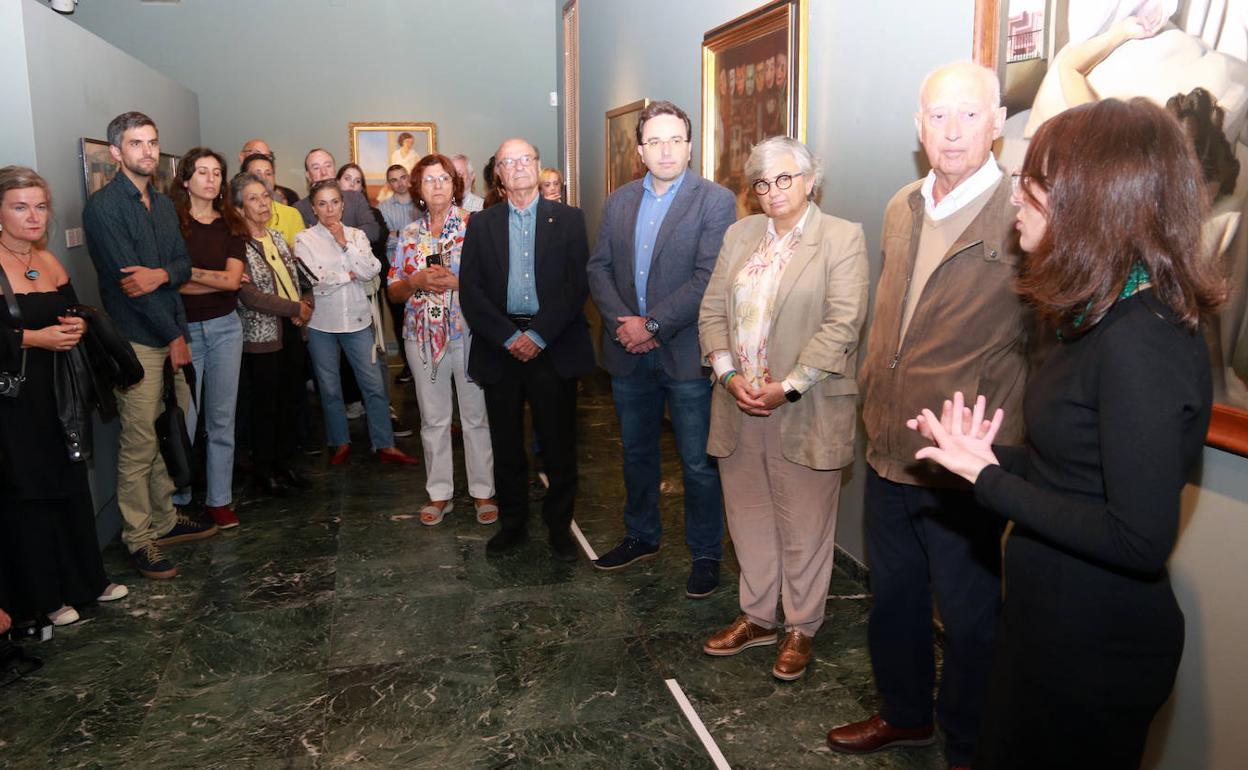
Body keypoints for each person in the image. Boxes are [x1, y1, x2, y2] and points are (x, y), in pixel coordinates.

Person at [907, 97, 1224, 770]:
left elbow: (1137, 538)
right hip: (1048, 626)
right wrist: (987, 456)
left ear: (1092, 202)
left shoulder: (1142, 340)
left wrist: (989, 482)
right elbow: (1075, 471)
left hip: (1095, 651)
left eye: (1035, 186)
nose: (1017, 199)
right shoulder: (1098, 318)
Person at [825, 62, 1029, 769]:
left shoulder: (1024, 215)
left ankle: (970, 743)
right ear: (918, 127)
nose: (952, 131)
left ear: (998, 123)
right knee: (894, 601)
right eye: (938, 116)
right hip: (888, 444)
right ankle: (905, 715)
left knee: (973, 621)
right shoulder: (901, 205)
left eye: (969, 115)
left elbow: (1042, 337)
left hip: (964, 462)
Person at [697, 137, 868, 679]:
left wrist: (787, 386)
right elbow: (710, 314)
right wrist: (728, 376)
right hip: (738, 401)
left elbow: (842, 324)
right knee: (747, 516)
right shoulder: (739, 234)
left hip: (806, 405)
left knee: (804, 522)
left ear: (810, 179)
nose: (773, 192)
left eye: (785, 179)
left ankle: (800, 626)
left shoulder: (841, 238)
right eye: (763, 183)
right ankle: (758, 617)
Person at [586, 100, 736, 597]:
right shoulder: (621, 200)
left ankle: (707, 553)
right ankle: (642, 535)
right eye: (655, 141)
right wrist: (624, 325)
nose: (666, 150)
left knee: (697, 462)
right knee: (636, 453)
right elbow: (599, 268)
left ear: (690, 147)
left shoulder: (715, 201)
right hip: (629, 354)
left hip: (686, 353)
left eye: (675, 140)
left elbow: (708, 278)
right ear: (640, 150)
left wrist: (651, 323)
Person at [83, 111, 218, 581]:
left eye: (153, 142)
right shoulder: (103, 208)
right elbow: (129, 287)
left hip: (171, 331)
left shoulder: (161, 205)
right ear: (117, 153)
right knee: (139, 442)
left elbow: (179, 269)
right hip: (138, 340)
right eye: (137, 144)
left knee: (169, 429)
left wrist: (162, 275)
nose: (148, 151)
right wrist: (174, 334)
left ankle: (164, 518)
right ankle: (139, 538)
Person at [0, 166, 128, 627]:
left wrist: (76, 324)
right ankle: (44, 597)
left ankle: (86, 581)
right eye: (20, 207)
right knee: (30, 495)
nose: (34, 216)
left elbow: (70, 309)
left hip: (60, 390)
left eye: (39, 206)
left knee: (70, 483)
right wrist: (35, 339)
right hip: (15, 400)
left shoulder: (48, 259)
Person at [460, 138, 594, 561]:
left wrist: (536, 336)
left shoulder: (569, 220)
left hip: (552, 345)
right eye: (507, 162)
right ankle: (512, 524)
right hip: (499, 346)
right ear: (497, 173)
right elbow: (471, 290)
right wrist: (508, 336)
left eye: (525, 159)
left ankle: (559, 528)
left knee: (558, 443)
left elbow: (576, 286)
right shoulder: (482, 224)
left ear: (538, 166)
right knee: (505, 443)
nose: (518, 167)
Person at [388, 154, 498, 526]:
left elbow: (494, 284)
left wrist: (459, 283)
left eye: (443, 179)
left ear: (456, 185)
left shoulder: (475, 227)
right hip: (421, 337)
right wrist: (415, 282)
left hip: (467, 333)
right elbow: (393, 291)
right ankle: (439, 494)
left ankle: (483, 491)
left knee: (475, 417)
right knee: (433, 420)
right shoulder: (408, 235)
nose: (436, 186)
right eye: (429, 180)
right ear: (418, 188)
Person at [294, 179, 418, 467]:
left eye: (334, 202)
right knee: (330, 388)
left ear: (342, 204)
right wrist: (347, 275)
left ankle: (384, 444)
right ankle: (340, 442)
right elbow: (314, 280)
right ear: (314, 208)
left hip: (359, 321)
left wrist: (344, 247)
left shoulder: (357, 236)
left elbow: (371, 269)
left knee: (374, 385)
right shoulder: (304, 239)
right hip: (322, 324)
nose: (329, 209)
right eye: (322, 204)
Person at [169, 148, 247, 530]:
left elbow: (232, 283)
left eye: (217, 172)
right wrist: (200, 278)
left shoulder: (231, 224)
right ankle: (178, 498)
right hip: (183, 331)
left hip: (226, 328)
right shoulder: (170, 222)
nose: (211, 179)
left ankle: (219, 499)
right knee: (184, 418)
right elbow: (173, 287)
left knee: (220, 418)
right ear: (185, 179)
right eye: (202, 172)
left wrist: (187, 273)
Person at [231, 172, 315, 497]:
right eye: (253, 198)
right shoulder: (238, 246)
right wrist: (295, 310)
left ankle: (284, 464)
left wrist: (305, 303)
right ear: (239, 208)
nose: (263, 203)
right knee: (264, 406)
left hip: (292, 333)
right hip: (262, 338)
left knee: (289, 401)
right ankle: (264, 471)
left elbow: (300, 279)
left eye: (265, 196)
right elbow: (250, 297)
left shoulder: (279, 237)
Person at [336, 161, 412, 437]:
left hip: (367, 293)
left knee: (374, 349)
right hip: (334, 299)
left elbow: (378, 248)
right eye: (347, 179)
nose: (352, 186)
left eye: (358, 181)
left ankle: (382, 406)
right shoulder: (324, 216)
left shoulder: (374, 215)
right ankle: (352, 403)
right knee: (343, 354)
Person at [378, 164, 417, 384]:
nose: (400, 183)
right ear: (389, 183)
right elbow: (386, 239)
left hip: (421, 273)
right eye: (394, 180)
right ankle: (408, 366)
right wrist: (408, 234)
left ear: (409, 178)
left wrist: (399, 233)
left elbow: (425, 235)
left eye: (403, 177)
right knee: (400, 322)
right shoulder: (383, 208)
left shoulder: (421, 204)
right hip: (396, 275)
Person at [240, 153, 304, 249]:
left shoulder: (291, 214)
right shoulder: (237, 214)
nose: (264, 178)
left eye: (268, 173)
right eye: (257, 174)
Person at [237, 138, 300, 205]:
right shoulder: (229, 195)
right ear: (242, 157)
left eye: (267, 156)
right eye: (256, 154)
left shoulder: (288, 196)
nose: (262, 159)